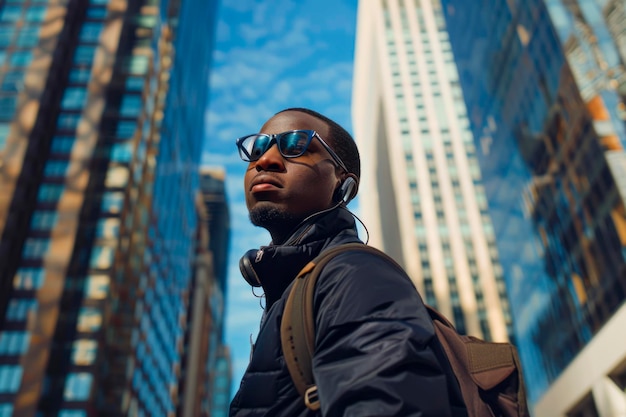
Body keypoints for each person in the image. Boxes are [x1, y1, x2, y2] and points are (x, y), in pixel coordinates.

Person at [229, 108, 466, 416]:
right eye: (257, 148)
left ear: (344, 183)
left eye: (296, 144)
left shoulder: (354, 275)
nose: (265, 160)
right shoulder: (301, 290)